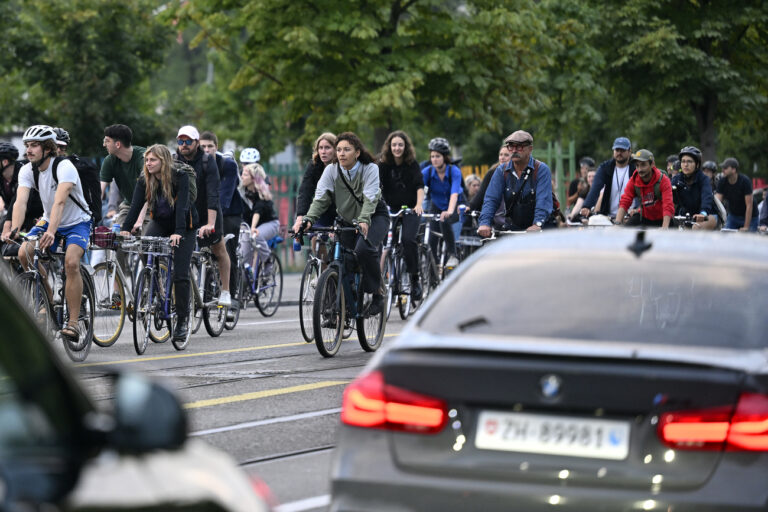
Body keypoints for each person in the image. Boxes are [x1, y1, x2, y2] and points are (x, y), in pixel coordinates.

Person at [11, 125, 93, 342]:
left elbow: (60, 201)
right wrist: (15, 230)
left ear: (48, 148)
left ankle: (73, 323)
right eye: (27, 145)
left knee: (72, 262)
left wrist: (51, 231)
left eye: (34, 145)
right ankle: (48, 297)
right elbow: (20, 202)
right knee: (24, 252)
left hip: (77, 222)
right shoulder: (27, 170)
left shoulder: (65, 166)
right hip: (50, 220)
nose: (28, 150)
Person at [302, 132, 389, 317]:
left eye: (347, 150)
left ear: (357, 153)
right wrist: (308, 220)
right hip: (347, 220)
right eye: (339, 150)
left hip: (375, 217)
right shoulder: (331, 170)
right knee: (341, 258)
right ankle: (344, 303)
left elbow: (371, 198)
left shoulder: (370, 168)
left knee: (364, 249)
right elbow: (320, 199)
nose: (341, 153)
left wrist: (365, 220)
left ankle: (377, 295)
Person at [119, 145, 198, 342]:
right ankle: (155, 285)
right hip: (161, 222)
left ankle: (181, 321)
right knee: (145, 248)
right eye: (147, 160)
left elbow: (182, 207)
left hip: (184, 226)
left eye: (153, 160)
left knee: (180, 273)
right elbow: (135, 206)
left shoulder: (180, 177)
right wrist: (126, 228)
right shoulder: (144, 179)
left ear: (163, 161)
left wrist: (178, 233)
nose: (148, 164)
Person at [176, 125, 231, 306]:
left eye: (188, 141)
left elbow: (213, 194)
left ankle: (225, 291)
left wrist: (211, 223)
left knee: (219, 249)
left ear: (197, 143)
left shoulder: (208, 162)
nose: (184, 145)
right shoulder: (175, 161)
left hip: (208, 210)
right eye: (180, 141)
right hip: (186, 213)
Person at [478, 130, 554, 236]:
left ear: (530, 149)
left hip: (541, 227)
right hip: (514, 226)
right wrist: (485, 223)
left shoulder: (541, 169)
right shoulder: (501, 171)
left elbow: (543, 200)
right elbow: (491, 199)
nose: (514, 150)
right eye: (511, 146)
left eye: (519, 147)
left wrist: (537, 224)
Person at [378, 130, 424, 301]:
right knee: (382, 241)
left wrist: (418, 205)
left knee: (408, 240)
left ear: (405, 147)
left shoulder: (412, 164)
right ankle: (382, 277)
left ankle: (414, 280)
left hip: (410, 209)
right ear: (389, 147)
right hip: (390, 209)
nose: (397, 148)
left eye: (400, 145)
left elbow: (420, 186)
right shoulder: (383, 165)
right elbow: (378, 187)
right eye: (394, 145)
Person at [200, 131, 242, 306]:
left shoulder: (227, 164)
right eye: (203, 146)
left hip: (229, 212)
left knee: (227, 250)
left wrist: (214, 219)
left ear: (216, 148)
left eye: (210, 146)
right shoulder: (195, 163)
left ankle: (230, 296)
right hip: (204, 211)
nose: (207, 150)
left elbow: (224, 195)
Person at [422, 137, 462, 267]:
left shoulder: (453, 171)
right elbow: (418, 189)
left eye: (438, 156)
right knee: (431, 238)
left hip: (454, 205)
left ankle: (452, 255)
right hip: (436, 205)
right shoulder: (427, 172)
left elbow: (454, 193)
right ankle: (433, 270)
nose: (434, 159)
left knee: (444, 220)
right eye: (432, 156)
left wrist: (450, 211)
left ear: (445, 157)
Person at [100, 124, 146, 228]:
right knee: (116, 234)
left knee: (143, 235)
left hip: (150, 206)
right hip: (129, 204)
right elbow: (100, 190)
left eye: (107, 141)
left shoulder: (144, 159)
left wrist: (139, 221)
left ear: (118, 144)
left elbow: (148, 194)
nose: (104, 144)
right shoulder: (110, 160)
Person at [614, 149, 673, 228]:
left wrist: (664, 228)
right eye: (637, 165)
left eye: (643, 165)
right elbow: (625, 200)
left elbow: (668, 205)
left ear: (652, 164)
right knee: (624, 231)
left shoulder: (663, 180)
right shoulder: (634, 179)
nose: (639, 169)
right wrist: (617, 224)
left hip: (663, 218)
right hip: (644, 218)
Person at [580, 137, 636, 219]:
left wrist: (637, 210)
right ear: (613, 151)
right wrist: (587, 206)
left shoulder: (636, 168)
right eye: (617, 150)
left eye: (622, 150)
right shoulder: (605, 168)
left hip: (631, 216)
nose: (619, 153)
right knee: (593, 221)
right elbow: (595, 188)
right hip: (609, 216)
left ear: (629, 151)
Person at [0, 142, 44, 247]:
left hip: (35, 212)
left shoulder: (24, 171)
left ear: (5, 162)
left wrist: (8, 224)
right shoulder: (1, 177)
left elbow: (20, 200)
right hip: (13, 214)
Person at [292, 133, 337, 234]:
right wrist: (300, 218)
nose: (323, 152)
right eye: (320, 148)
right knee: (315, 236)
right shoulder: (314, 165)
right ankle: (317, 249)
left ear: (335, 150)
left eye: (327, 148)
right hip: (322, 211)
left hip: (341, 212)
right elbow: (305, 192)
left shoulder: (342, 166)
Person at [239, 163, 280, 273]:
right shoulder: (243, 192)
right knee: (243, 253)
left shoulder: (262, 193)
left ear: (253, 178)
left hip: (270, 224)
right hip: (250, 226)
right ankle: (245, 282)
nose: (242, 177)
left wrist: (252, 228)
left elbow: (258, 211)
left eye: (245, 175)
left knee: (256, 236)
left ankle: (267, 260)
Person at [670, 146, 716, 230]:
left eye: (689, 161)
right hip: (685, 216)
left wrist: (703, 213)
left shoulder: (704, 179)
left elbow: (707, 197)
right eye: (683, 161)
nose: (686, 165)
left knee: (696, 228)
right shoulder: (676, 179)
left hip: (707, 215)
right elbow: (667, 197)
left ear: (697, 164)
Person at [716, 157, 758, 232]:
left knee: (749, 239)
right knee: (725, 236)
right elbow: (717, 203)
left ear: (733, 170)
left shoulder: (745, 181)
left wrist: (746, 227)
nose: (723, 170)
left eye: (725, 168)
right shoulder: (722, 182)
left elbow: (749, 205)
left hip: (751, 217)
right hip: (734, 216)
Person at [468, 144, 511, 213]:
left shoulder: (517, 173)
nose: (502, 157)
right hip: (495, 214)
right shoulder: (492, 172)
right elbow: (481, 193)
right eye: (500, 155)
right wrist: (470, 207)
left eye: (506, 155)